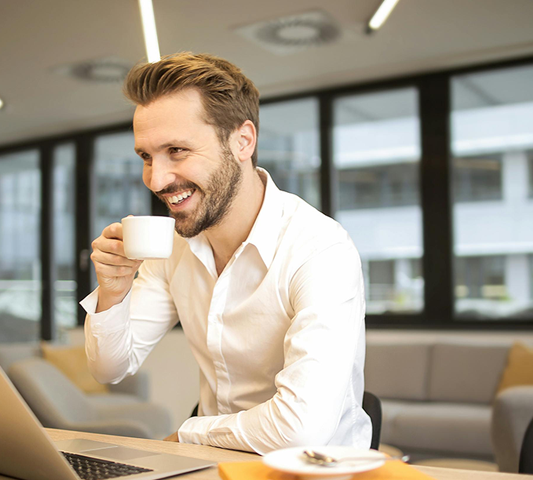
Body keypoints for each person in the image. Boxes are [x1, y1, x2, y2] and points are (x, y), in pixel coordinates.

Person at [81, 52, 370, 454]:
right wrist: (113, 293)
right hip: (211, 467)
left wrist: (189, 433)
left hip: (314, 473)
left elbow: (300, 429)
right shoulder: (174, 248)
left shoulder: (320, 249)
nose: (156, 180)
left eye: (177, 150)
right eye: (146, 157)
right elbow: (109, 368)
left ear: (242, 141)